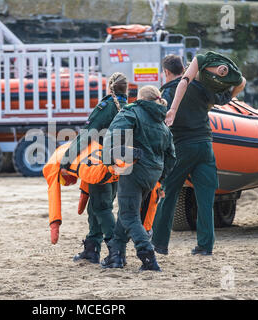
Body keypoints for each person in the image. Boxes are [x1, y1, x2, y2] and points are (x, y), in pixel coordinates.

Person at [152, 53, 244, 256]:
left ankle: (159, 243)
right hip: (205, 146)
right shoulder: (200, 87)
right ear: (183, 68)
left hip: (181, 148)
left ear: (166, 72)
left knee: (168, 194)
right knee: (205, 198)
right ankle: (205, 245)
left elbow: (159, 125)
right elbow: (224, 98)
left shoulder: (166, 93)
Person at [100, 85, 176, 271]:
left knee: (129, 215)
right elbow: (171, 156)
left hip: (133, 170)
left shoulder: (132, 112)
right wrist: (160, 177)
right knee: (127, 212)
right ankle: (115, 256)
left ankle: (148, 257)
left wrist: (110, 159)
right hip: (152, 175)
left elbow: (115, 134)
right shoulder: (162, 123)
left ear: (140, 99)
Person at [59, 72, 129, 264]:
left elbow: (87, 135)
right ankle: (92, 249)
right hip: (121, 165)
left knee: (101, 207)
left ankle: (116, 253)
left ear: (110, 88)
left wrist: (66, 161)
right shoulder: (128, 108)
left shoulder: (105, 107)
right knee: (95, 207)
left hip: (100, 163)